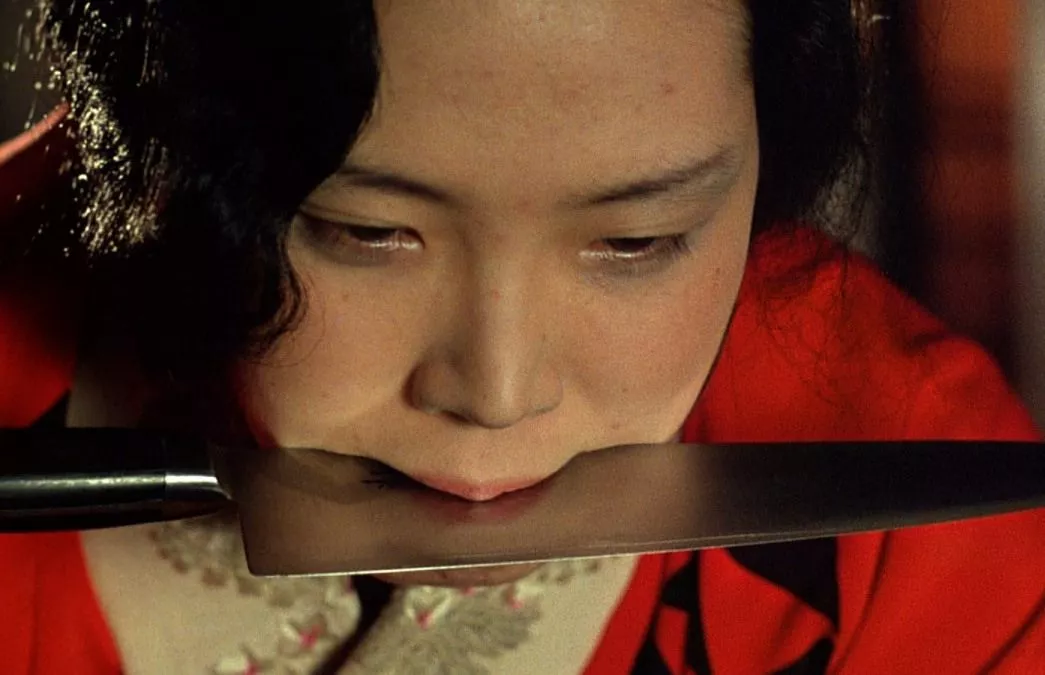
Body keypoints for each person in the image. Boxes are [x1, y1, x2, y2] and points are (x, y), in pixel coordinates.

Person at [1, 1, 1043, 673]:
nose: (497, 392)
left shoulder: (915, 514)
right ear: (165, 153)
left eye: (636, 241)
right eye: (367, 231)